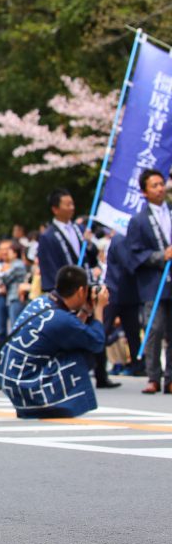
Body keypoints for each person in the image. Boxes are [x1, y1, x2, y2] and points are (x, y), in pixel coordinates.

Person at [0, 266, 106, 419]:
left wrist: (85, 312)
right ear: (81, 291)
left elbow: (72, 330)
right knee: (83, 353)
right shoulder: (61, 319)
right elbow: (97, 342)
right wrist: (99, 309)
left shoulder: (41, 302)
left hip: (11, 379)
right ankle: (48, 406)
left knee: (76, 342)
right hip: (26, 385)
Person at [126, 168, 172, 394]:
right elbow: (134, 254)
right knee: (155, 328)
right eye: (154, 185)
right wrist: (160, 256)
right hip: (154, 282)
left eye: (161, 184)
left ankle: (171, 377)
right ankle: (153, 375)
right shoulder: (138, 221)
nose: (160, 188)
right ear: (144, 192)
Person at [37, 189, 95, 292]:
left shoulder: (80, 229)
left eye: (72, 204)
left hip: (85, 287)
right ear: (55, 209)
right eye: (68, 205)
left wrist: (90, 244)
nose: (72, 208)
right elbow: (49, 268)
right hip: (66, 291)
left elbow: (92, 258)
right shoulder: (48, 236)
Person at [103, 232, 143, 377]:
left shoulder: (129, 239)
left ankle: (137, 364)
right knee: (104, 330)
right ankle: (99, 367)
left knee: (132, 332)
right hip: (115, 291)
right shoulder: (120, 239)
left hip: (128, 293)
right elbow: (128, 263)